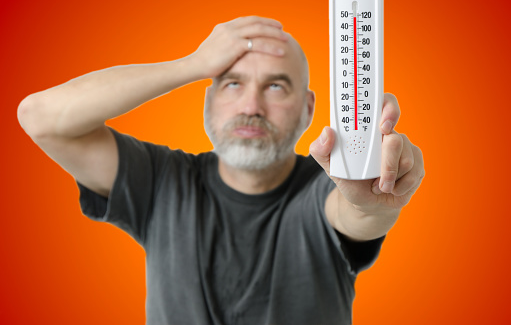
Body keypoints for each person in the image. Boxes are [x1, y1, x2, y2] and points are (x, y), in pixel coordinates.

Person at [17, 16, 425, 325]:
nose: (251, 106)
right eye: (231, 83)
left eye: (276, 86)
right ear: (208, 100)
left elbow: (355, 212)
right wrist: (191, 65)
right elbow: (40, 117)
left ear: (308, 109)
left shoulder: (324, 187)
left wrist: (373, 200)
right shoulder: (162, 181)